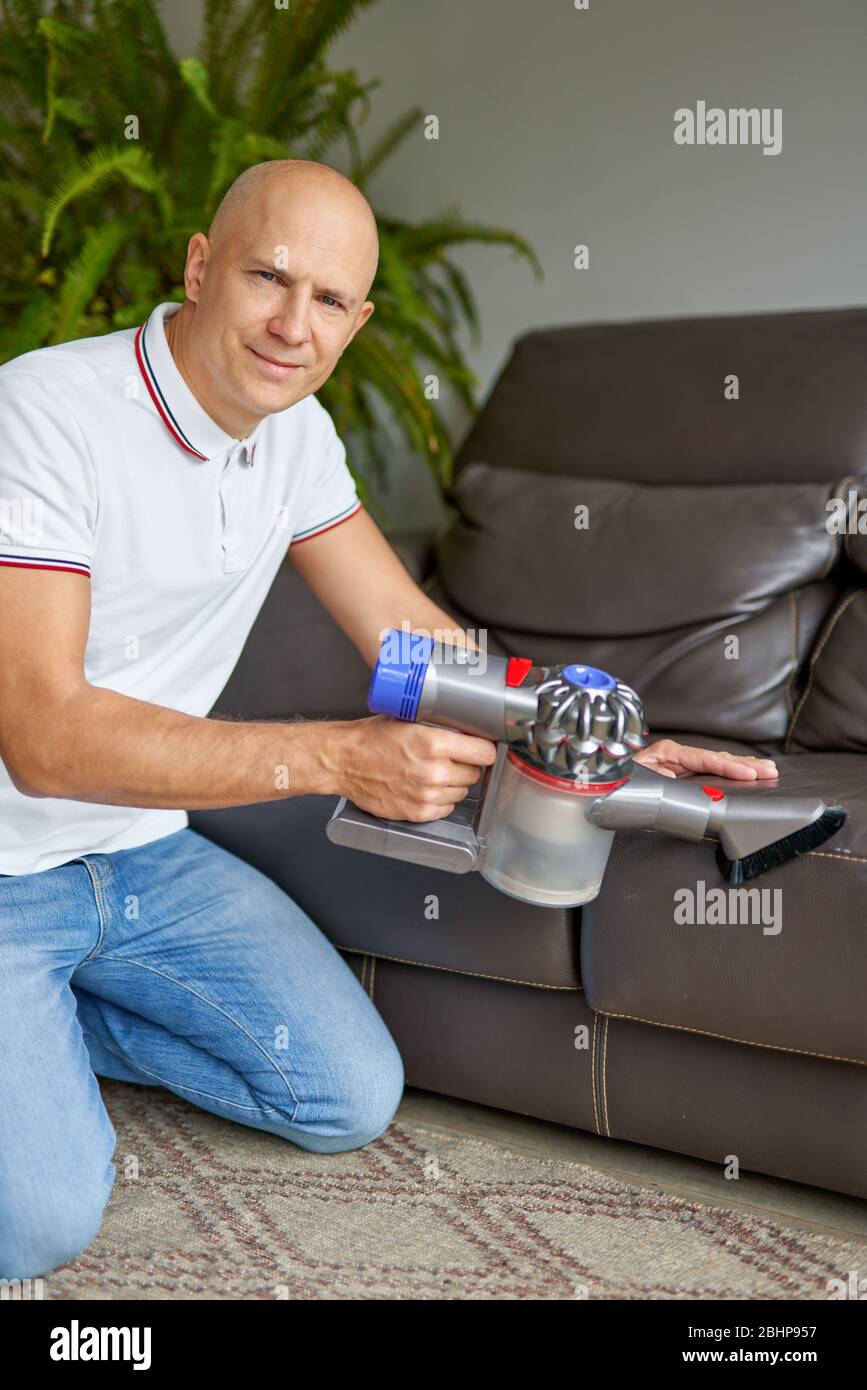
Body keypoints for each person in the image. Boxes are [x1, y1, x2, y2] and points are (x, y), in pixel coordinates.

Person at [0, 159, 777, 1278]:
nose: (291, 325)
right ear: (201, 266)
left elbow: (412, 645)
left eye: (328, 301)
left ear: (358, 322)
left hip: (136, 852)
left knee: (341, 1093)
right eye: (268, 277)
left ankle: (52, 1036)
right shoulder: (47, 410)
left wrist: (584, 728)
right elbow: (45, 738)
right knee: (38, 1224)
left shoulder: (298, 437)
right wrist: (337, 756)